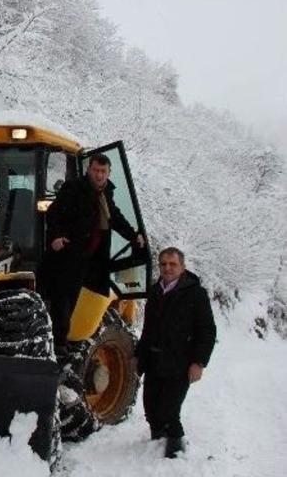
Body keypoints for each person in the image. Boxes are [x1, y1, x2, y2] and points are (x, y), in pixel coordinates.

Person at [38, 154, 145, 353]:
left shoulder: (106, 194)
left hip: (93, 258)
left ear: (108, 173)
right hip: (70, 254)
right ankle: (59, 344)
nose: (99, 175)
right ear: (89, 170)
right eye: (95, 170)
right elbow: (54, 213)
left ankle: (71, 338)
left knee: (81, 296)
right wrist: (56, 237)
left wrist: (133, 235)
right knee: (64, 297)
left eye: (103, 171)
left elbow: (116, 219)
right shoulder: (74, 189)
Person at [136, 247, 216, 458]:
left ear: (182, 267)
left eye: (173, 264)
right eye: (163, 264)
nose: (167, 268)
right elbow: (148, 329)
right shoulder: (155, 291)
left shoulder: (196, 294)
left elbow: (207, 330)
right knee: (151, 407)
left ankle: (175, 447)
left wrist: (198, 362)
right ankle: (158, 435)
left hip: (180, 361)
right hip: (154, 360)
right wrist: (139, 356)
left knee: (169, 409)